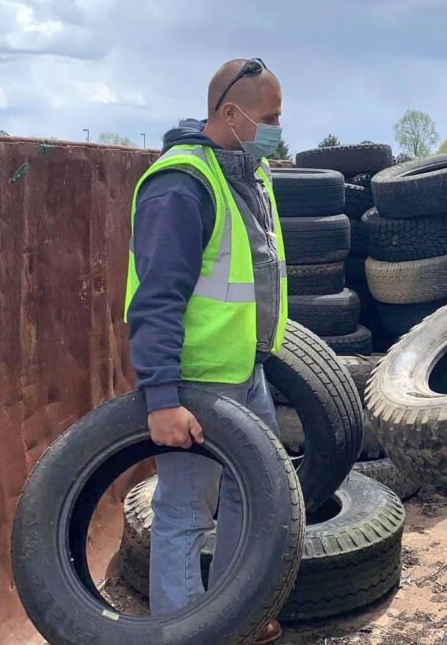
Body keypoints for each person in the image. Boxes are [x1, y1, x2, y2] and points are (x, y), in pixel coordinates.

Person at [124, 58, 287, 644]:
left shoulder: (249, 173)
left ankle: (230, 618)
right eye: (269, 118)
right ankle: (184, 632)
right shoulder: (181, 183)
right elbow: (155, 300)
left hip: (247, 374)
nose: (277, 128)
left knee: (254, 500)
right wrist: (161, 397)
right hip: (197, 383)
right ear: (230, 113)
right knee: (183, 515)